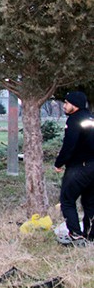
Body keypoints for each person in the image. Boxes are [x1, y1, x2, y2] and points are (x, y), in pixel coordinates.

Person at [54, 91, 94, 246]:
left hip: (79, 167)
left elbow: (69, 145)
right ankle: (90, 235)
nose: (64, 105)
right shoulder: (91, 118)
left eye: (66, 103)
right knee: (90, 202)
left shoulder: (74, 120)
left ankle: (76, 235)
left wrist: (59, 163)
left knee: (67, 200)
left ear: (74, 104)